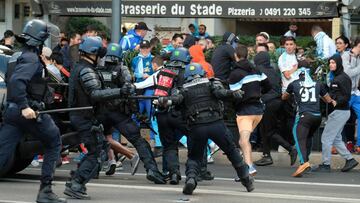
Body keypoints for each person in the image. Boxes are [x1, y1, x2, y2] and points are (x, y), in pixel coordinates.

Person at [159, 63, 254, 195]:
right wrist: (233, 93)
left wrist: (164, 101)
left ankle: (191, 179)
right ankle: (246, 179)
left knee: (194, 157)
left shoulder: (182, 89)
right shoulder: (211, 83)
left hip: (196, 127)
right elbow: (221, 93)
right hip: (216, 124)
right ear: (202, 73)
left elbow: (174, 100)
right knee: (232, 152)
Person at [0, 19, 66, 203]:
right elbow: (16, 82)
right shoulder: (30, 58)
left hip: (13, 113)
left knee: (3, 153)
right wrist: (25, 106)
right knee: (53, 141)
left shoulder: (17, 55)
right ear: (39, 39)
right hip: (27, 111)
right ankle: (45, 192)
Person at [64, 36, 126, 199]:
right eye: (99, 53)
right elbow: (95, 94)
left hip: (83, 116)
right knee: (97, 152)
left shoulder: (81, 67)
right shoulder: (86, 70)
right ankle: (77, 183)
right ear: (93, 53)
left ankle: (75, 180)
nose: (101, 57)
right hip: (84, 117)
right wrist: (120, 91)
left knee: (99, 148)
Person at [96, 43, 163, 180]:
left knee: (99, 141)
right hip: (119, 112)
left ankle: (91, 170)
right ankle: (152, 170)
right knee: (138, 141)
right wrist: (136, 112)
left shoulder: (96, 69)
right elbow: (130, 92)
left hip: (101, 111)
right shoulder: (122, 69)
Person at [228, 45, 271, 176]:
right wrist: (258, 92)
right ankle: (245, 164)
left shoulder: (235, 74)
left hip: (245, 112)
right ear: (247, 55)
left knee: (244, 141)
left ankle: (249, 167)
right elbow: (268, 85)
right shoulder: (256, 70)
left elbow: (232, 95)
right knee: (244, 140)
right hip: (259, 112)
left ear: (236, 56)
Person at [282, 68, 331, 177]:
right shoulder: (318, 84)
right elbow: (328, 100)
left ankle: (303, 163)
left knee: (299, 138)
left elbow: (284, 97)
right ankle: (306, 162)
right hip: (317, 117)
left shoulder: (294, 84)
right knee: (308, 137)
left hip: (304, 116)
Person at [315, 54, 359, 173]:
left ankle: (326, 164)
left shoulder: (342, 78)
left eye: (334, 63)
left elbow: (346, 96)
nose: (331, 65)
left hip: (340, 112)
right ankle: (350, 159)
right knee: (336, 139)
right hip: (340, 112)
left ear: (339, 63)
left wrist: (336, 102)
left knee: (326, 138)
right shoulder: (337, 77)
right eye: (330, 63)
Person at [253, 52, 297, 166]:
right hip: (279, 102)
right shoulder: (274, 71)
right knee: (264, 129)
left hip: (268, 103)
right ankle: (266, 155)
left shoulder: (258, 71)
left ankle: (290, 149)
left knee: (269, 131)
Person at [342, 37, 360, 154]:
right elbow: (348, 73)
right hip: (345, 93)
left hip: (356, 93)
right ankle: (336, 144)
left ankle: (358, 144)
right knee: (340, 118)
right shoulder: (346, 56)